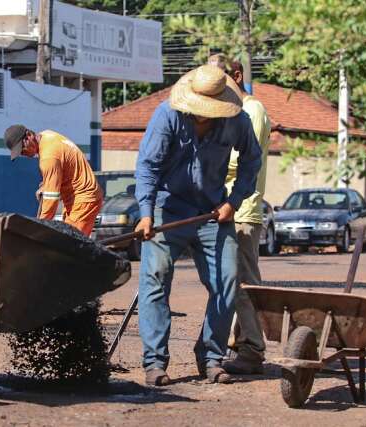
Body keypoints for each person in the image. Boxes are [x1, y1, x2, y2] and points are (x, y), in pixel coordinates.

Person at [134, 64, 262, 386]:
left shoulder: (238, 121)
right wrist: (146, 213)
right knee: (155, 279)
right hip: (167, 208)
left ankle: (211, 356)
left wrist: (233, 202)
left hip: (211, 213)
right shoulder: (167, 116)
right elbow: (148, 166)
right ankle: (155, 362)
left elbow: (251, 160)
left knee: (227, 281)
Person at [209, 54, 272, 375]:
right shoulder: (233, 111)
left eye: (221, 79)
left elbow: (244, 159)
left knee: (246, 282)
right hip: (229, 210)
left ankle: (253, 348)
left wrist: (212, 156)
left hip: (245, 211)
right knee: (231, 280)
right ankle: (240, 341)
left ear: (236, 74)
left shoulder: (253, 110)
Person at [4, 125, 102, 236]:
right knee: (69, 240)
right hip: (76, 199)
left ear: (29, 136)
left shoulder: (48, 157)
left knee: (70, 245)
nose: (22, 154)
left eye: (22, 149)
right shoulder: (47, 135)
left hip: (83, 200)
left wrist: (38, 227)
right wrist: (46, 186)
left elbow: (51, 200)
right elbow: (60, 170)